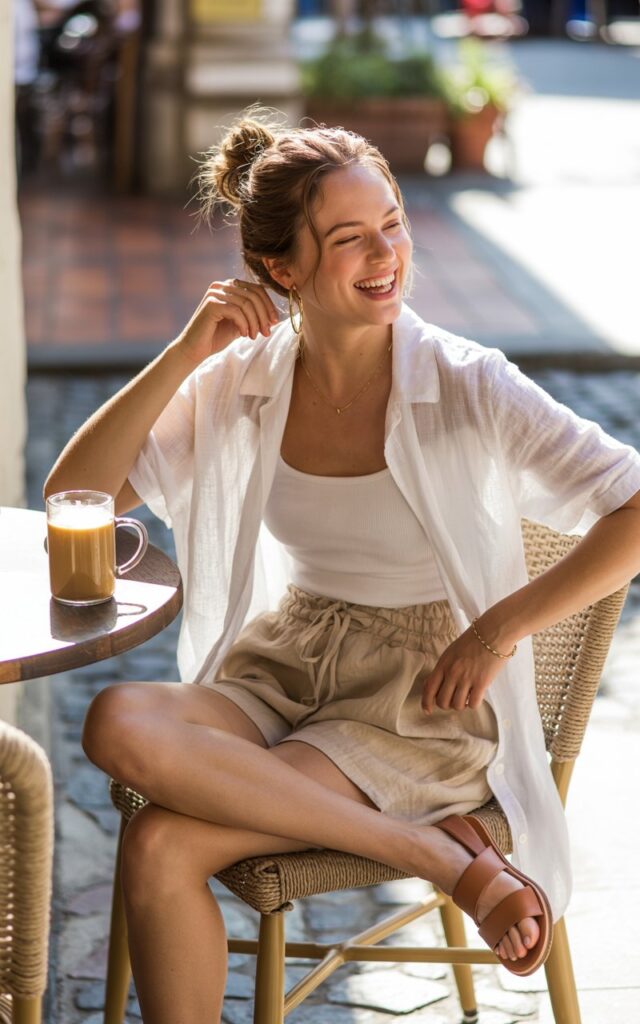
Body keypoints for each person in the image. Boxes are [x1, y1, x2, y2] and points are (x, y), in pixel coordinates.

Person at [45, 108, 640, 1023]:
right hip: (288, 661)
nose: (386, 254)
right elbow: (74, 498)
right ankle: (439, 857)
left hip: (419, 699)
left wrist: (499, 627)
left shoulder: (467, 381)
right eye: (350, 238)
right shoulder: (242, 380)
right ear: (280, 270)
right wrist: (184, 350)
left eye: (393, 224)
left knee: (163, 846)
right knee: (118, 718)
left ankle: (447, 847)